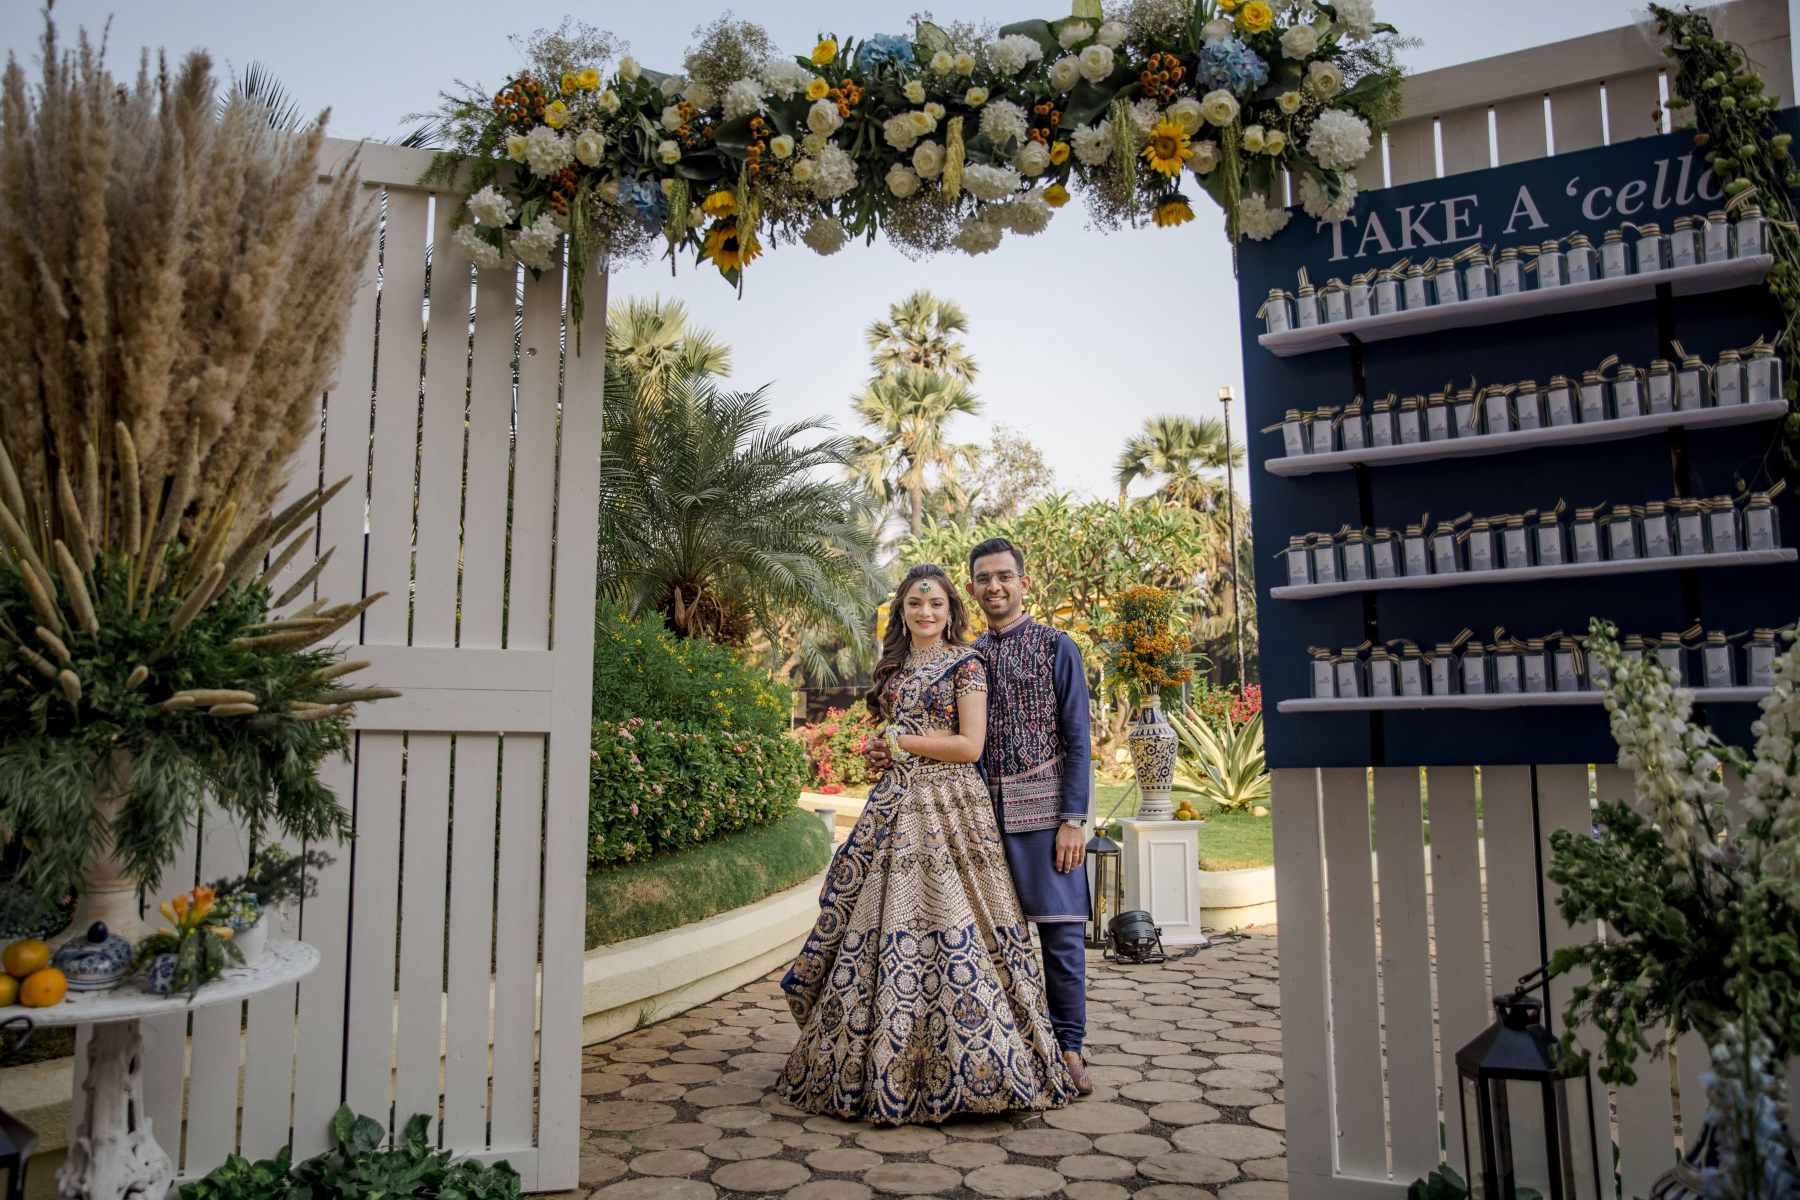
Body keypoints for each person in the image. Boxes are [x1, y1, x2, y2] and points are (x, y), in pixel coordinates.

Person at [778, 563, 1077, 1125]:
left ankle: (986, 1062)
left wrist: (900, 741)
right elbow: (901, 739)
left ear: (950, 610)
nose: (926, 612)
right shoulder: (893, 668)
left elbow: (969, 745)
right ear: (902, 611)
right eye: (915, 604)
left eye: (936, 603)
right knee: (883, 922)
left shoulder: (967, 664)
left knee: (957, 918)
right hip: (896, 806)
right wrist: (884, 749)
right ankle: (887, 1060)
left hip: (952, 808)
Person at [865, 537, 1095, 1095]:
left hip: (1043, 816)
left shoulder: (1055, 646)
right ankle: (1010, 1047)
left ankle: (1068, 1048)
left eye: (1004, 576)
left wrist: (1073, 818)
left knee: (1061, 936)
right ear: (971, 588)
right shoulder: (967, 656)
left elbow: (1079, 738)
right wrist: (891, 748)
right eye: (985, 578)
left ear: (1023, 582)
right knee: (987, 940)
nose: (995, 586)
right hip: (972, 819)